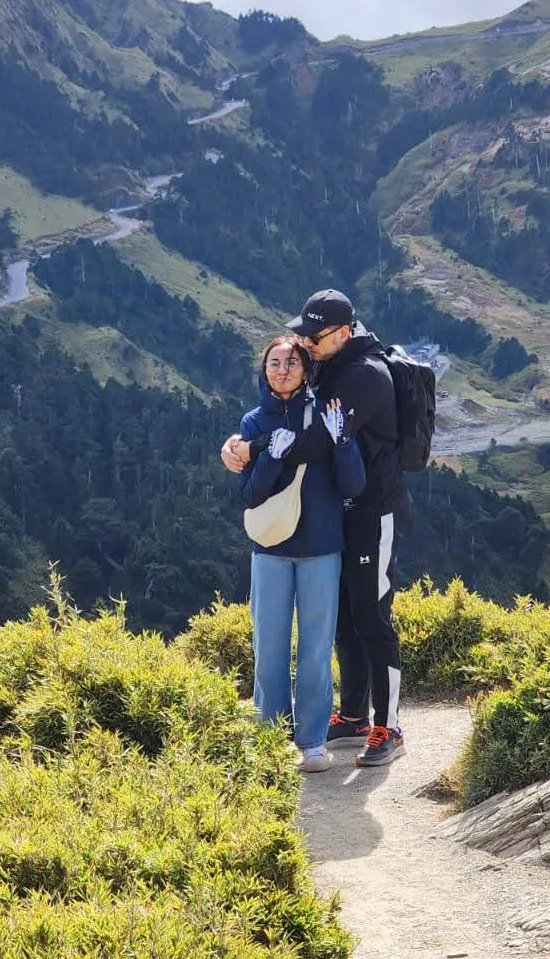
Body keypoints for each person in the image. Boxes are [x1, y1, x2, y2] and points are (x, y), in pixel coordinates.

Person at [223, 289, 407, 767]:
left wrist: (252, 449)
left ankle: (388, 725)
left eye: (314, 335)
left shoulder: (365, 376)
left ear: (344, 333)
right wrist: (245, 442)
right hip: (339, 515)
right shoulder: (331, 363)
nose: (304, 343)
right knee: (345, 619)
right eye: (301, 332)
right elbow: (285, 410)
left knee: (371, 616)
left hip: (371, 510)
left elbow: (310, 444)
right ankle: (351, 716)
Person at [237, 335, 366, 773]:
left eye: (291, 363)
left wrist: (344, 442)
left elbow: (353, 485)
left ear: (306, 369)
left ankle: (311, 740)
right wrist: (271, 458)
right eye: (274, 363)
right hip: (270, 549)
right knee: (268, 647)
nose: (282, 370)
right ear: (263, 370)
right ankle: (271, 736)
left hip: (321, 548)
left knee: (315, 648)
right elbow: (251, 495)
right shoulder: (253, 422)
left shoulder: (325, 413)